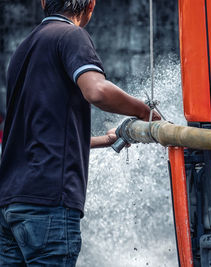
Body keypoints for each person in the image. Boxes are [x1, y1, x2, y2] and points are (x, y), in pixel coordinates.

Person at [0, 0, 160, 265]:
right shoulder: (71, 35)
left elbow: (37, 138)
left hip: (10, 206)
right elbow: (96, 91)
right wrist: (145, 112)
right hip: (48, 205)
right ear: (91, 6)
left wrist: (105, 141)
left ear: (43, 2)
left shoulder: (24, 49)